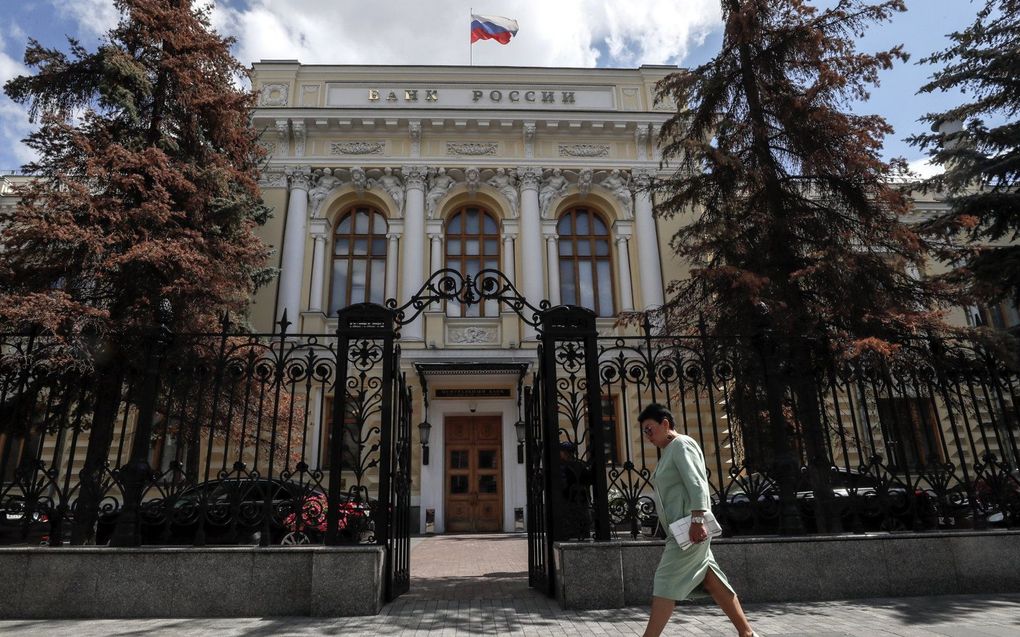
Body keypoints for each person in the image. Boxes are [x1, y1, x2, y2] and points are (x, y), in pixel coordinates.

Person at [638, 403, 758, 637]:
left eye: (650, 429)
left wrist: (697, 520)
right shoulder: (668, 453)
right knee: (713, 581)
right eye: (644, 432)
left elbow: (697, 483)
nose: (647, 436)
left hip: (689, 530)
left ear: (665, 424)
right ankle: (747, 633)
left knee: (664, 581)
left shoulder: (681, 444)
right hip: (682, 530)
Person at [557, 440, 592, 540]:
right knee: (581, 527)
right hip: (581, 501)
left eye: (562, 452)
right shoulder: (580, 465)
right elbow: (588, 480)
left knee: (569, 530)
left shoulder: (561, 467)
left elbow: (562, 485)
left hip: (568, 501)